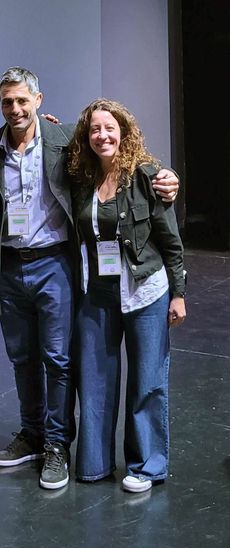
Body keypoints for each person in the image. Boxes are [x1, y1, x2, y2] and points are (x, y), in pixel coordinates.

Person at [0, 67, 179, 490]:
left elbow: (164, 221)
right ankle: (49, 443)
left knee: (68, 362)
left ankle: (69, 447)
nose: (15, 108)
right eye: (7, 101)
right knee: (33, 361)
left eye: (22, 100)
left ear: (39, 101)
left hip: (70, 269)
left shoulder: (83, 148)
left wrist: (170, 179)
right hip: (26, 270)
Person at [67, 98, 185, 493]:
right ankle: (96, 465)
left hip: (146, 290)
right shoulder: (82, 179)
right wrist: (48, 121)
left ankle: (146, 466)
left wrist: (179, 295)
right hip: (97, 293)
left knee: (147, 382)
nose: (102, 136)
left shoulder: (148, 176)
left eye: (109, 128)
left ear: (124, 132)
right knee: (95, 382)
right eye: (94, 130)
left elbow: (171, 242)